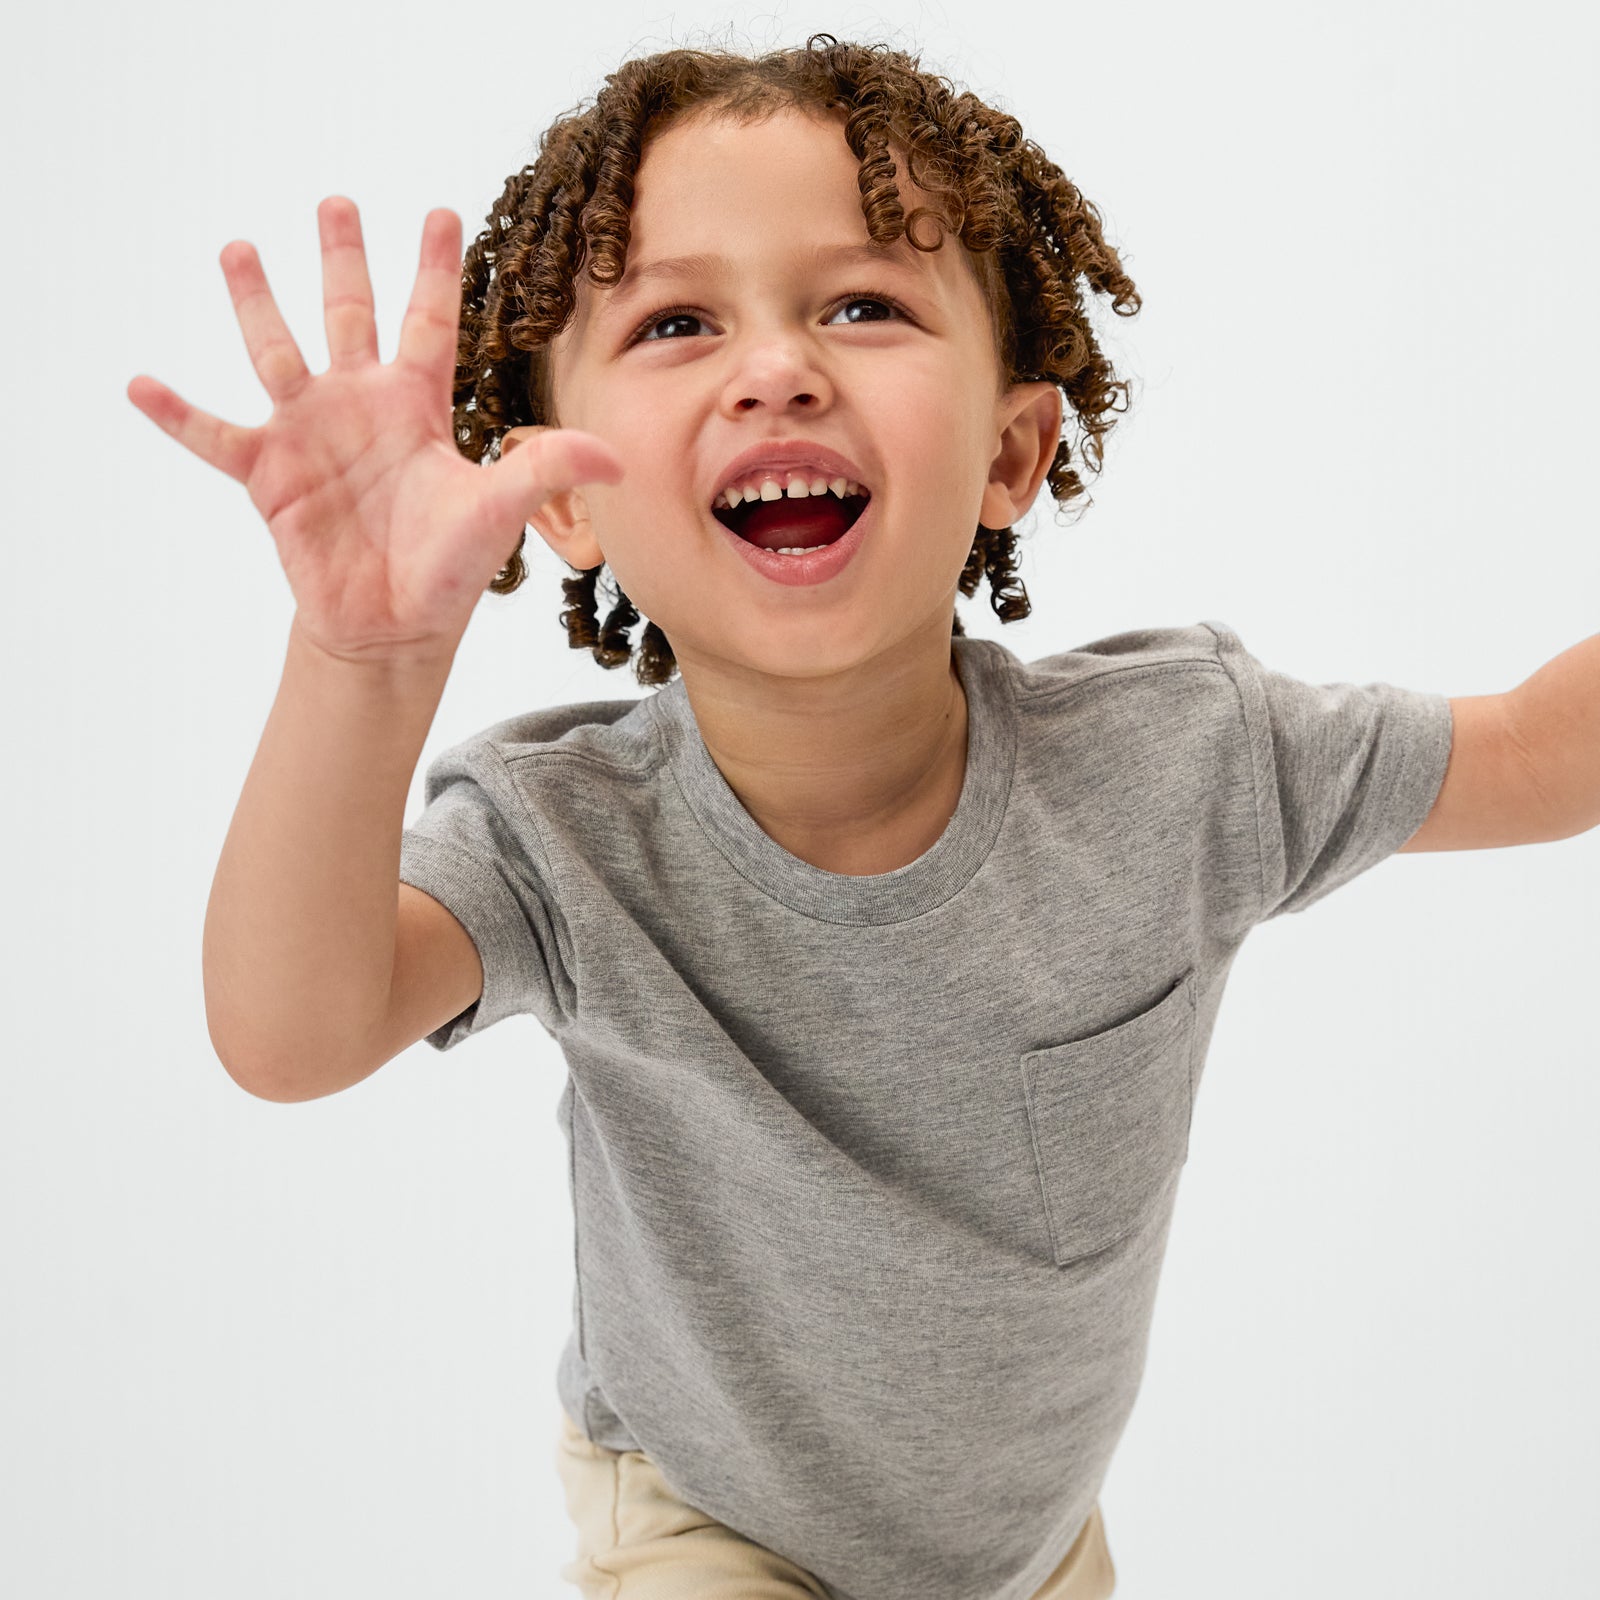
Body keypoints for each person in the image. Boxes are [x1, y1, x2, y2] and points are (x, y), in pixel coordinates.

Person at [126, 32, 1597, 1600]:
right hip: (708, 1527)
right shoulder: (560, 838)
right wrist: (364, 660)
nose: (779, 367)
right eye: (679, 321)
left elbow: (1534, 754)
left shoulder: (1188, 761)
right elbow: (288, 1033)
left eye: (864, 306)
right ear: (559, 497)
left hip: (1030, 1553)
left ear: (1012, 453)